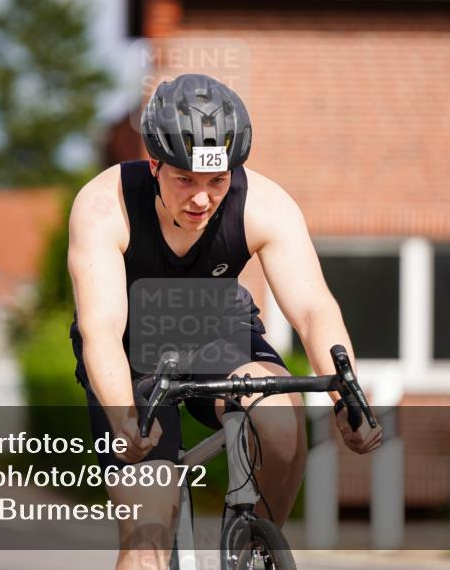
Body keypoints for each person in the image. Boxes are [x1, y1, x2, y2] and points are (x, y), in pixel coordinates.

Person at [68, 73, 383, 570]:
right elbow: (101, 329)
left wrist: (349, 397)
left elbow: (313, 309)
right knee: (147, 537)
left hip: (217, 332)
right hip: (132, 352)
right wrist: (125, 418)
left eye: (216, 182)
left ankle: (256, 549)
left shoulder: (264, 204)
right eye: (184, 180)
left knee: (279, 418)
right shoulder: (105, 205)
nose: (200, 200)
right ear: (154, 164)